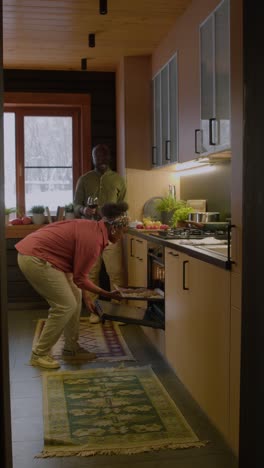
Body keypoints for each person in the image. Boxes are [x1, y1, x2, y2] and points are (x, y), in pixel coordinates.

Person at [15, 201, 129, 370]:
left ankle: (71, 349)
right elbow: (81, 278)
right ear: (113, 228)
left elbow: (78, 274)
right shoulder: (94, 241)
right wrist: (108, 294)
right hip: (35, 257)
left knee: (74, 298)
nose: (123, 235)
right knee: (65, 305)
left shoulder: (94, 228)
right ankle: (39, 354)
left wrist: (87, 296)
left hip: (47, 256)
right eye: (123, 231)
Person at [74, 143, 127, 324]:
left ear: (109, 157)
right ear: (93, 158)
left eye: (104, 155)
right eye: (97, 155)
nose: (101, 158)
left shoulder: (119, 180)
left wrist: (118, 215)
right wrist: (83, 210)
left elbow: (123, 205)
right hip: (90, 234)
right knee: (91, 273)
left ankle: (117, 310)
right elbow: (75, 205)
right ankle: (95, 310)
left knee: (116, 273)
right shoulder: (84, 179)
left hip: (112, 232)